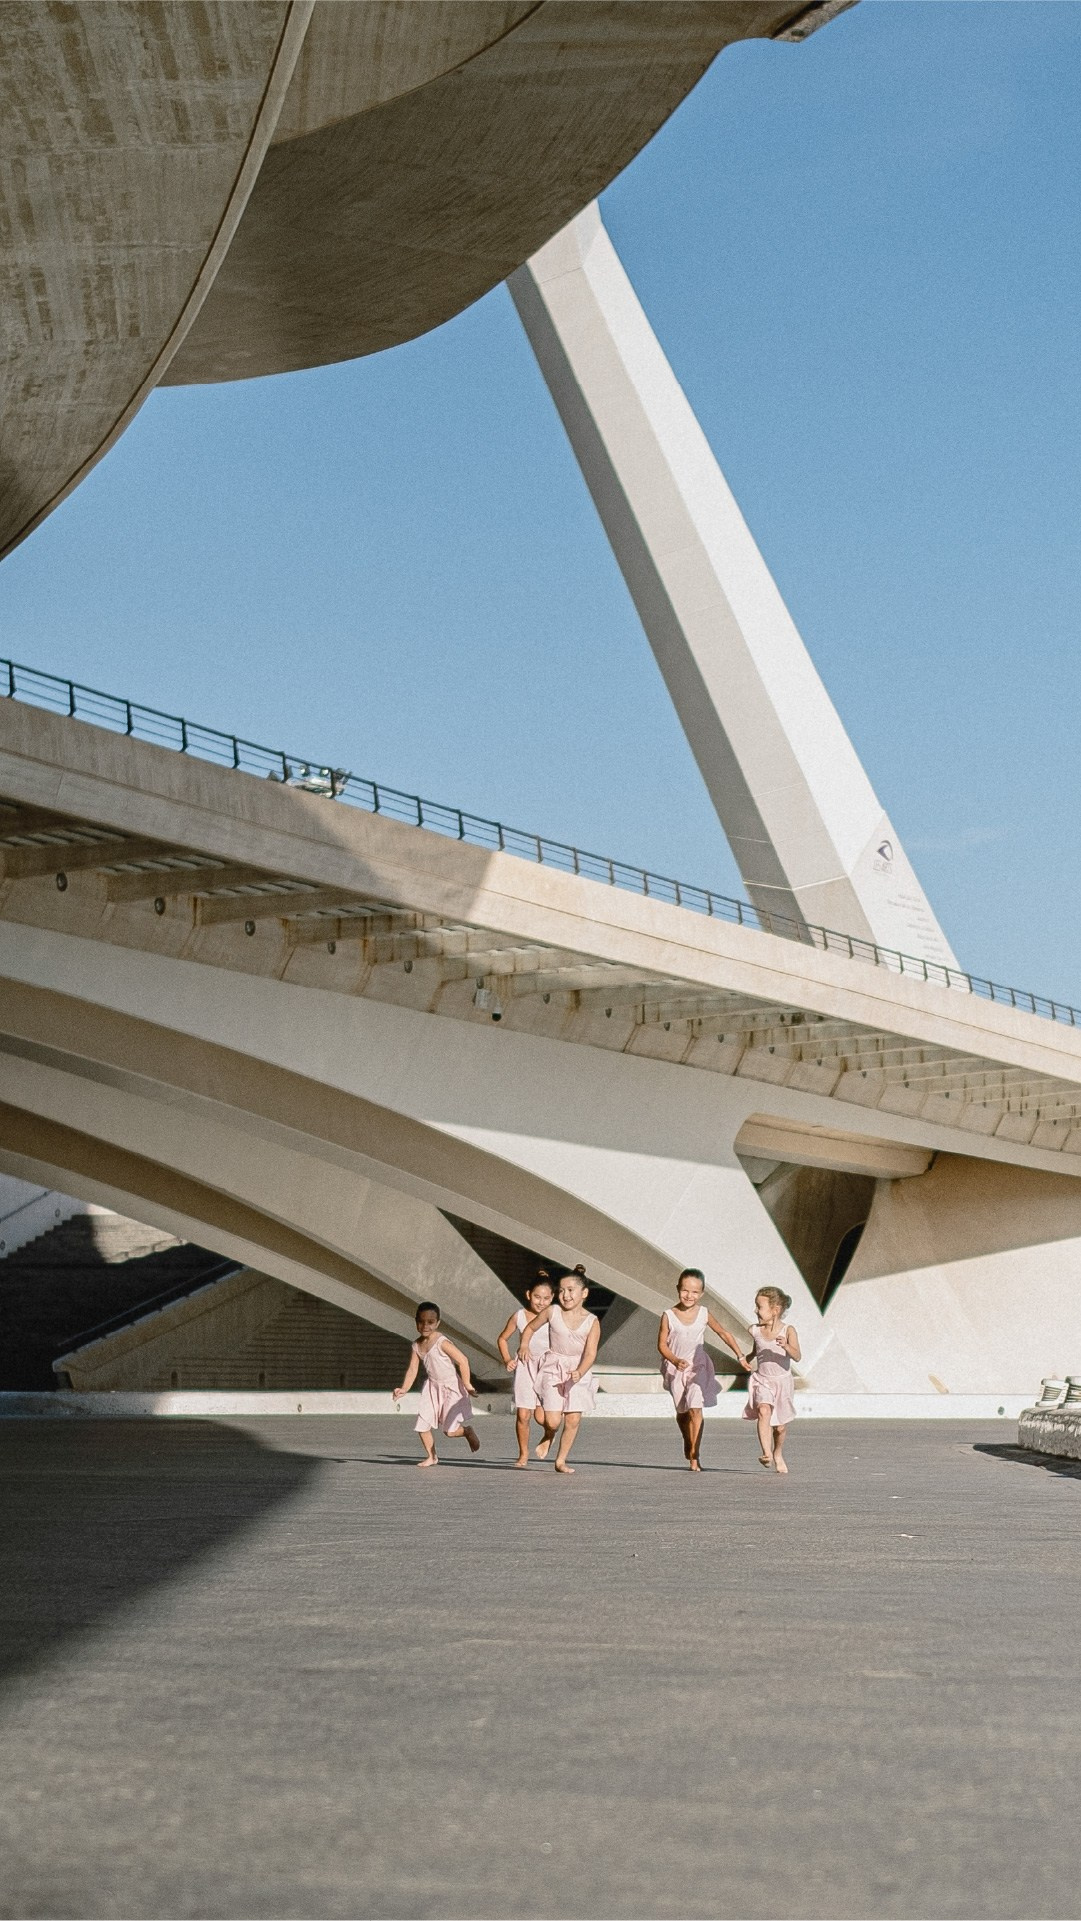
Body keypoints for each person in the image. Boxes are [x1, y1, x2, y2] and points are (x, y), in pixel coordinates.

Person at [657, 1267, 747, 1471]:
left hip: (698, 1366)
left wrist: (740, 1355)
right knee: (682, 1412)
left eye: (695, 1292)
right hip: (675, 1368)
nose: (689, 1296)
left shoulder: (704, 1313)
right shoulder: (668, 1315)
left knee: (696, 1407)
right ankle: (687, 1441)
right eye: (685, 1290)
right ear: (678, 1289)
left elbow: (723, 1333)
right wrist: (674, 1359)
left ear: (702, 1293)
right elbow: (662, 1344)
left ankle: (695, 1455)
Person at [519, 1265, 600, 1474]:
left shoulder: (592, 1321)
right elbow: (530, 1328)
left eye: (570, 1290)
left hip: (577, 1371)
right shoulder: (552, 1311)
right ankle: (549, 1434)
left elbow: (590, 1353)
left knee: (572, 1419)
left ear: (584, 1293)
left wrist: (580, 1371)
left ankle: (561, 1460)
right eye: (562, 1290)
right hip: (554, 1367)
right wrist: (524, 1345)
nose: (565, 1295)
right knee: (552, 1420)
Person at [392, 1301, 481, 1467]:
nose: (425, 1325)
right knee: (422, 1424)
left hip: (451, 1388)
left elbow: (463, 1360)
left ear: (438, 1323)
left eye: (430, 1322)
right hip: (432, 1388)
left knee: (450, 1431)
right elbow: (412, 1369)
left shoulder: (441, 1342)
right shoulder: (417, 1345)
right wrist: (404, 1388)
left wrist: (467, 1384)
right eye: (421, 1321)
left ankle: (467, 1431)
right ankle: (431, 1456)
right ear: (416, 1321)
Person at [497, 1270, 555, 1467]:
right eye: (537, 1297)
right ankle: (523, 1454)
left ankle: (549, 1435)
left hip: (547, 1367)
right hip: (525, 1366)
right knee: (523, 1414)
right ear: (528, 1294)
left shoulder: (555, 1316)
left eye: (546, 1298)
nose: (541, 1302)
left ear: (553, 1298)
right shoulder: (519, 1316)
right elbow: (503, 1338)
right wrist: (507, 1360)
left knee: (541, 1417)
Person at [742, 1286, 800, 1474]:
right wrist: (745, 1359)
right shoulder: (755, 1331)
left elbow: (797, 1356)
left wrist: (787, 1347)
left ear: (775, 1310)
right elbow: (755, 1350)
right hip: (763, 1380)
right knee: (763, 1410)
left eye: (759, 1307)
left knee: (780, 1428)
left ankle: (777, 1452)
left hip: (782, 1382)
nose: (756, 1311)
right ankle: (766, 1453)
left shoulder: (788, 1331)